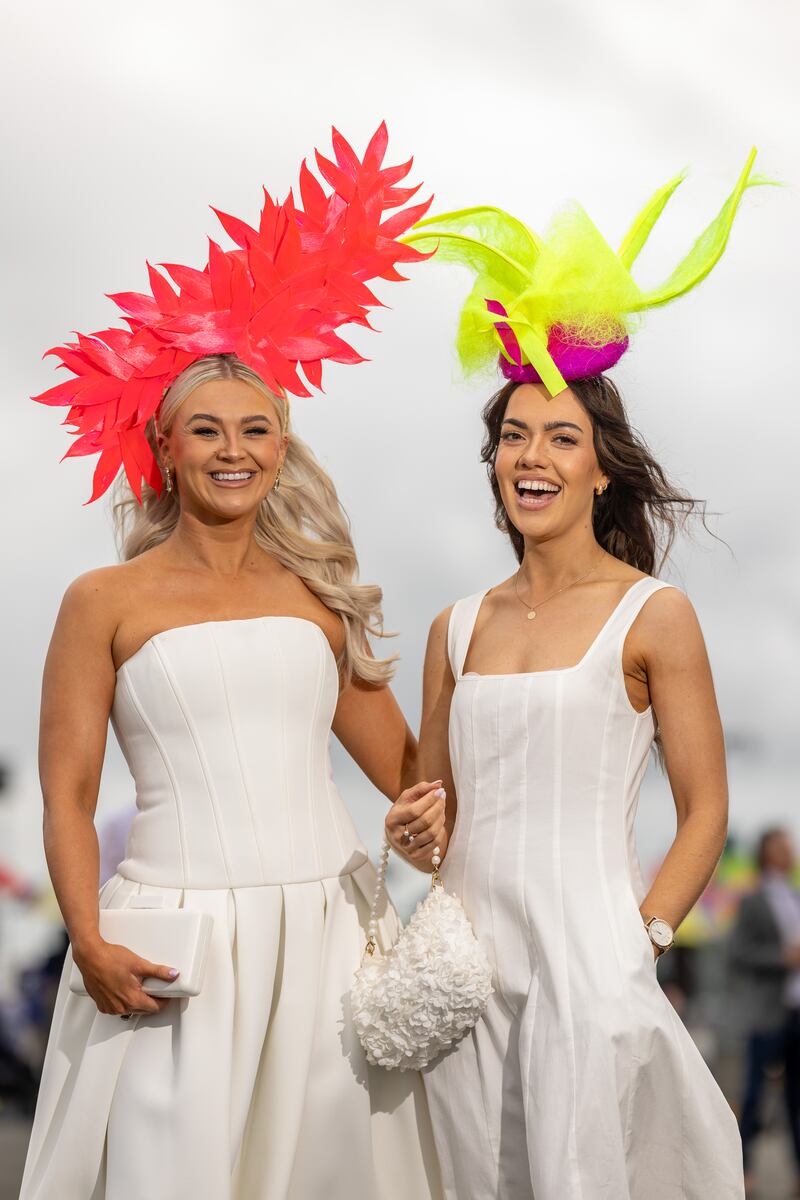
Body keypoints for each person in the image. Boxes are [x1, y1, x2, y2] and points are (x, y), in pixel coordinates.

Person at [21, 127, 443, 1200]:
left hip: (329, 935)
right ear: (162, 446)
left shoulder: (315, 593)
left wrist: (485, 682)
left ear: (281, 444)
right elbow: (68, 796)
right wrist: (88, 936)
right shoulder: (100, 603)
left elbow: (405, 769)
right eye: (204, 430)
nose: (232, 451)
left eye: (255, 430)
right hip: (172, 943)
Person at [387, 156, 768, 1198]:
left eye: (561, 437)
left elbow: (704, 811)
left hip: (586, 970)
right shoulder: (452, 626)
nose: (532, 456)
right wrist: (412, 831)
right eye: (514, 436)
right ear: (493, 460)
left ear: (600, 466)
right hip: (460, 974)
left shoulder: (654, 615)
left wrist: (636, 942)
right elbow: (434, 814)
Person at [731, 828, 800, 1195]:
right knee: (755, 1096)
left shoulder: (796, 895)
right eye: (780, 844)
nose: (788, 850)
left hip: (796, 1011)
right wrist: (782, 959)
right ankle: (744, 1170)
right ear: (765, 852)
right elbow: (738, 953)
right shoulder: (753, 900)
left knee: (797, 1101)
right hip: (766, 1013)